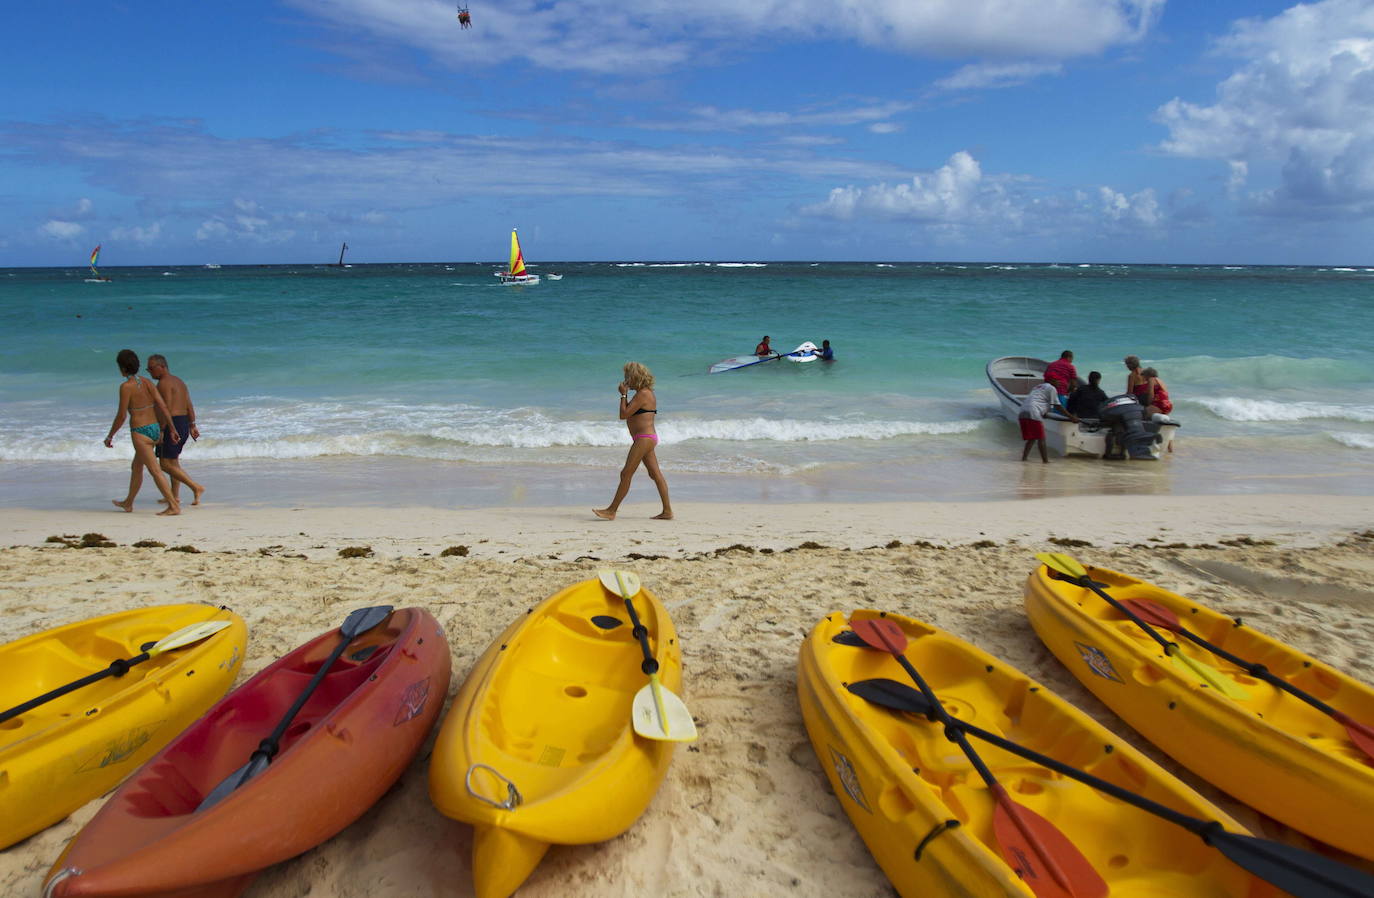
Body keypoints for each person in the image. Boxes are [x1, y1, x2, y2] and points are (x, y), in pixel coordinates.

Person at [104, 349, 180, 515]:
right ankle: (128, 502)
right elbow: (162, 405)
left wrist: (110, 436)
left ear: (122, 368)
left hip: (140, 432)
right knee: (136, 466)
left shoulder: (126, 387)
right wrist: (171, 428)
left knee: (155, 470)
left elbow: (121, 416)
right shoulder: (147, 382)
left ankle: (174, 506)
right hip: (153, 429)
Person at [594, 362, 672, 521]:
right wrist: (626, 395)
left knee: (626, 473)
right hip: (645, 438)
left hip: (644, 438)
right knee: (655, 474)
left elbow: (623, 414)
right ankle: (667, 511)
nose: (626, 380)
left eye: (628, 377)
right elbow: (629, 415)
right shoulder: (643, 393)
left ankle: (612, 510)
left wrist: (623, 395)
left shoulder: (644, 394)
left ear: (635, 377)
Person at [148, 354, 205, 506]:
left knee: (165, 464)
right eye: (148, 369)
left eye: (151, 368)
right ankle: (174, 496)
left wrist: (161, 429)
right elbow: (189, 404)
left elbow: (164, 408)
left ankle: (196, 487)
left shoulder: (163, 384)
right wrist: (192, 424)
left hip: (171, 423)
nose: (150, 372)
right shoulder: (179, 381)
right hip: (183, 422)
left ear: (162, 367)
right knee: (173, 462)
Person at [1018, 379, 1078, 463]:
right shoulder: (1051, 388)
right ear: (1052, 381)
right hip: (1033, 411)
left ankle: (1024, 459)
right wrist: (1071, 417)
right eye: (1057, 381)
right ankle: (1045, 461)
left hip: (1022, 411)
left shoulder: (1037, 387)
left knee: (1032, 438)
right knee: (1041, 438)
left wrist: (1043, 412)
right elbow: (1058, 406)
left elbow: (1039, 401)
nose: (1059, 383)